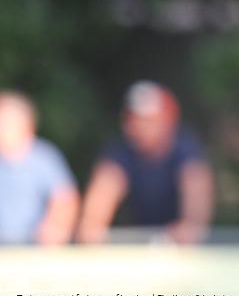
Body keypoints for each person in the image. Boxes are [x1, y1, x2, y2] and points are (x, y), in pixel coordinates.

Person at [77, 81, 214, 244]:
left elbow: (195, 216)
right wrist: (92, 228)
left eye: (148, 120)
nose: (138, 126)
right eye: (133, 119)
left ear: (168, 120)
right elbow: (97, 208)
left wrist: (188, 229)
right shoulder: (121, 152)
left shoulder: (186, 151)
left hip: (181, 252)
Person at [0, 91, 79, 245]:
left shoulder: (44, 158)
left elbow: (65, 199)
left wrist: (54, 230)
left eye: (6, 122)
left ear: (27, 124)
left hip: (33, 248)